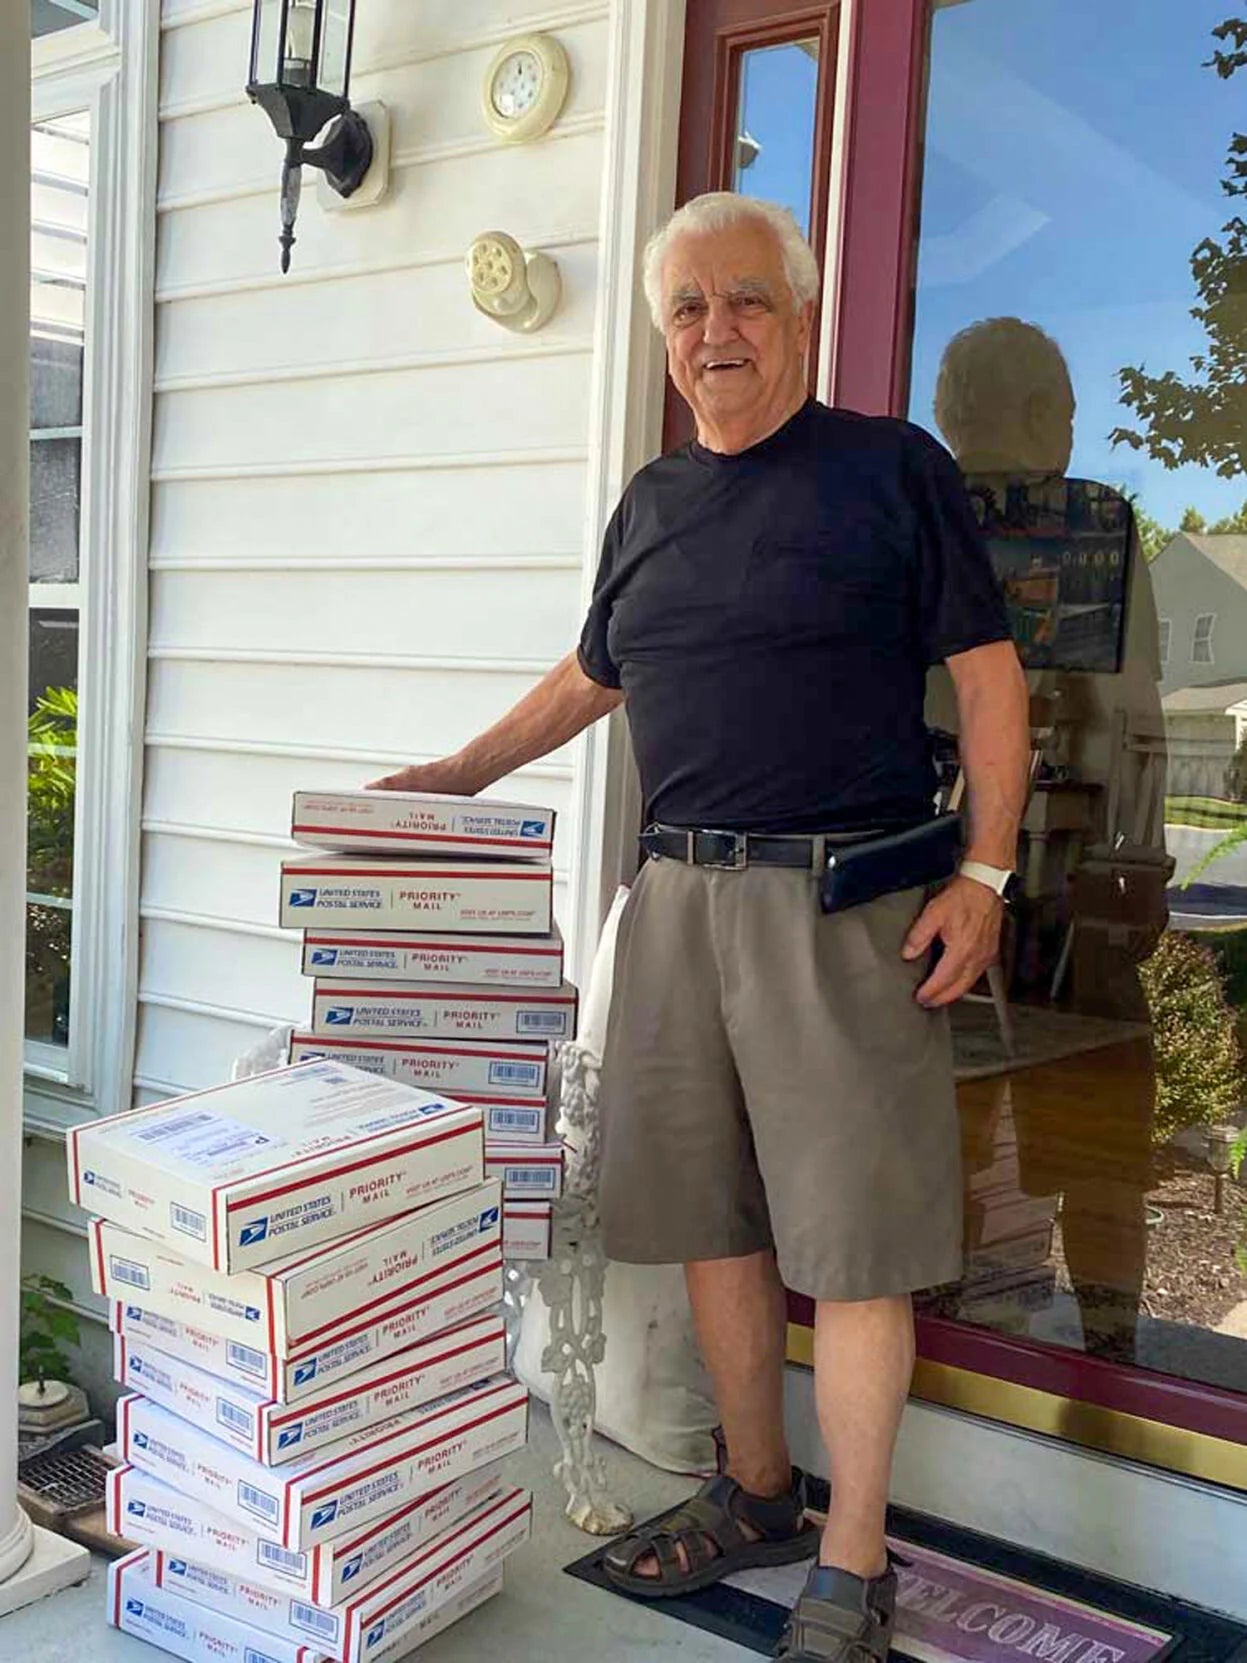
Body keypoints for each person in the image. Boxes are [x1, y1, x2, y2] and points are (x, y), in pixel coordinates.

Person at [371, 193, 1030, 1663]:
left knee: (852, 1245)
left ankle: (851, 1562)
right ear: (664, 334)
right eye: (686, 308)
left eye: (744, 301)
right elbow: (590, 671)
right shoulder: (652, 504)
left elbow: (986, 682)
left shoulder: (888, 471)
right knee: (709, 1221)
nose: (713, 331)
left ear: (798, 316)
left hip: (838, 903)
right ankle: (751, 1489)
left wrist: (982, 875)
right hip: (670, 900)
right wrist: (457, 774)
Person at [929, 316, 1169, 1364]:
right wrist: (1139, 866)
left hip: (953, 874)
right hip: (1062, 878)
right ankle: (1105, 1349)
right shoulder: (1097, 525)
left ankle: (937, 1333)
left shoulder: (918, 520)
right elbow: (1141, 723)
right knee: (1094, 1135)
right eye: (1061, 410)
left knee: (952, 1127)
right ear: (1032, 415)